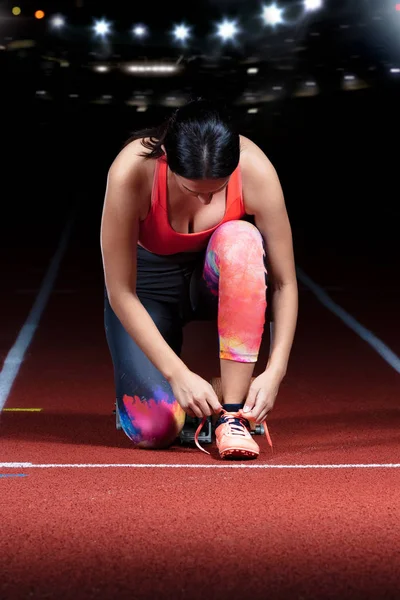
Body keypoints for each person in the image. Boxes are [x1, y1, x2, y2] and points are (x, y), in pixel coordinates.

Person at [100, 98, 298, 460]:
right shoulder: (131, 171)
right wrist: (177, 374)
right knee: (155, 429)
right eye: (194, 191)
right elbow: (120, 292)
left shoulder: (256, 169)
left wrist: (276, 370)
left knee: (241, 239)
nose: (207, 201)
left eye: (217, 189)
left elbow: (284, 283)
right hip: (146, 292)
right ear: (168, 163)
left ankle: (232, 414)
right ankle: (192, 393)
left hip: (212, 280)